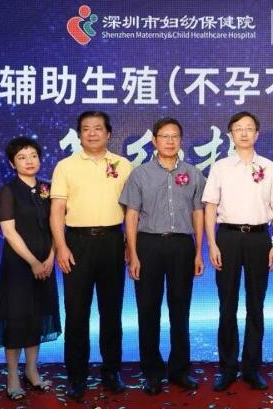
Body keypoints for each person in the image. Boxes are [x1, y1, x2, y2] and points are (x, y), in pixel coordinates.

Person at [119, 118, 205, 395]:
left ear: (180, 140)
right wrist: (133, 253)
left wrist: (199, 251)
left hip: (182, 246)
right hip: (148, 245)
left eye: (174, 136)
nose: (169, 141)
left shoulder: (193, 173)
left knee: (180, 310)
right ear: (154, 141)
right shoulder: (140, 174)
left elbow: (198, 214)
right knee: (148, 310)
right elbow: (131, 215)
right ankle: (152, 372)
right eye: (164, 136)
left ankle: (179, 370)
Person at [50, 111, 131, 400]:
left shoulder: (123, 164)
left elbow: (131, 211)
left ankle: (112, 372)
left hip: (112, 241)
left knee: (112, 312)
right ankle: (76, 375)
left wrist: (130, 246)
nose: (92, 133)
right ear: (79, 134)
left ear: (109, 134)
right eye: (86, 129)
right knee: (76, 314)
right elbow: (57, 210)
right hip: (77, 243)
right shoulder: (66, 166)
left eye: (98, 128)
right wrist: (61, 246)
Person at [202, 111, 273, 392]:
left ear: (257, 134)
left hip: (260, 238)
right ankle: (227, 368)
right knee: (227, 304)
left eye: (249, 128)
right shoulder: (221, 167)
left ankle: (251, 368)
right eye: (239, 128)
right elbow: (210, 206)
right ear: (231, 134)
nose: (244, 133)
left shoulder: (269, 167)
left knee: (256, 305)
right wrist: (212, 243)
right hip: (228, 238)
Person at [0, 137, 61, 400]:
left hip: (46, 263)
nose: (29, 161)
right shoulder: (8, 191)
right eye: (21, 157)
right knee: (17, 317)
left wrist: (51, 257)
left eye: (33, 156)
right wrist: (33, 262)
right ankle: (12, 374)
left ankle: (32, 370)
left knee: (37, 316)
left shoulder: (48, 188)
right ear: (12, 163)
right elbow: (9, 232)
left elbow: (57, 226)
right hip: (19, 266)